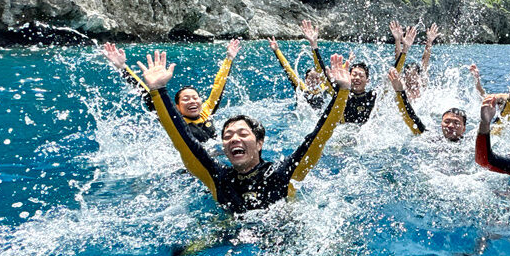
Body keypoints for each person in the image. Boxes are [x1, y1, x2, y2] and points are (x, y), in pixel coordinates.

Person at [137, 50, 353, 214]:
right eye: (228, 136)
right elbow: (181, 138)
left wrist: (343, 91)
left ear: (259, 143)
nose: (233, 139)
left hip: (281, 235)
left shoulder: (283, 174)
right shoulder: (216, 177)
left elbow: (319, 135)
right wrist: (159, 91)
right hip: (230, 236)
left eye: (242, 133)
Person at [101, 39, 241, 142]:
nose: (192, 101)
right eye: (185, 99)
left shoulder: (206, 112)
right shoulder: (175, 118)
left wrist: (229, 58)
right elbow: (146, 95)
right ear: (178, 107)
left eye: (195, 98)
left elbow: (218, 86)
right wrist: (122, 67)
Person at [268, 20, 335, 109]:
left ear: (321, 80)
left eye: (316, 78)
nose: (313, 80)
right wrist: (277, 50)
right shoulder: (302, 89)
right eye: (311, 78)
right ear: (305, 79)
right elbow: (288, 69)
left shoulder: (324, 89)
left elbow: (325, 72)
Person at [387, 68, 467, 141]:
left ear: (464, 129)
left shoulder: (470, 143)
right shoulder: (432, 140)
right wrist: (400, 91)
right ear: (441, 124)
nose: (450, 126)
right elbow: (411, 118)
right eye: (447, 121)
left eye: (456, 123)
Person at [391, 22, 439, 100]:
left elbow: (425, 61)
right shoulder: (403, 86)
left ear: (418, 76)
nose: (411, 79)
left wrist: (429, 41)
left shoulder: (422, 84)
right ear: (404, 76)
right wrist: (397, 40)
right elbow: (398, 64)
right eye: (409, 75)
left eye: (413, 76)